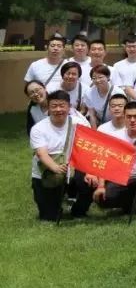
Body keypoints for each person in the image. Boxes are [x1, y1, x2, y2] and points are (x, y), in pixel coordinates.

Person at [29, 91, 81, 220]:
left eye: (62, 105)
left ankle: (78, 206)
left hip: (73, 167)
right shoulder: (38, 128)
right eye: (54, 106)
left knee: (87, 182)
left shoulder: (79, 123)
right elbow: (41, 153)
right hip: (46, 172)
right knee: (49, 216)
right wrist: (55, 168)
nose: (58, 109)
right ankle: (56, 201)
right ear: (48, 107)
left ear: (69, 107)